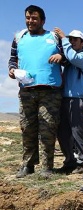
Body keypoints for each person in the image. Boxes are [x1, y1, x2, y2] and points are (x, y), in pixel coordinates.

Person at [8, 5, 64, 178]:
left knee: (47, 129)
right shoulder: (19, 37)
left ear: (42, 21)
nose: (30, 21)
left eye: (34, 18)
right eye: (27, 18)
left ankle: (47, 168)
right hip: (26, 91)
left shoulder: (54, 37)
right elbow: (12, 59)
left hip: (50, 91)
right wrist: (11, 70)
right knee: (27, 128)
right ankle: (28, 165)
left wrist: (62, 57)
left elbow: (67, 55)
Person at [53, 29, 83, 174]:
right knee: (62, 131)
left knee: (78, 132)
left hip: (77, 99)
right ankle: (70, 161)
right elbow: (66, 57)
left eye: (76, 39)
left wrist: (63, 39)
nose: (72, 41)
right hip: (65, 98)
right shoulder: (70, 56)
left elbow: (72, 57)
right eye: (71, 39)